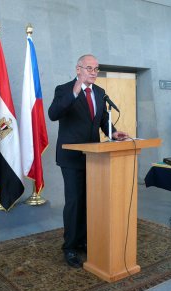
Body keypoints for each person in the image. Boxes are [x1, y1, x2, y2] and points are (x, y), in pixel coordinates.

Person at [48, 54, 128, 268]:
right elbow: (53, 114)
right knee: (74, 202)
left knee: (90, 202)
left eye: (96, 69)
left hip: (94, 158)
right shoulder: (63, 89)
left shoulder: (100, 93)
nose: (94, 72)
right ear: (78, 69)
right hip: (71, 157)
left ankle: (84, 240)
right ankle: (70, 247)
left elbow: (103, 122)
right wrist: (75, 91)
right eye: (89, 68)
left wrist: (114, 133)